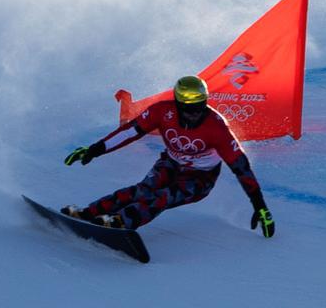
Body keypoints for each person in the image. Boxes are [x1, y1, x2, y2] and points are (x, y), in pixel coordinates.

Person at [62, 75, 275, 237]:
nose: (195, 115)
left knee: (163, 197)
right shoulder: (163, 112)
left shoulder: (217, 127)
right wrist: (94, 150)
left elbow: (241, 167)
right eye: (189, 110)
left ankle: (121, 222)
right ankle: (88, 213)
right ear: (178, 105)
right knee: (140, 191)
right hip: (170, 164)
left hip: (200, 178)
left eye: (200, 109)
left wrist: (260, 206)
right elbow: (129, 132)